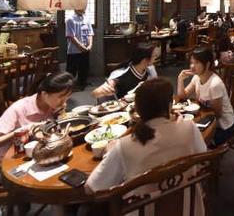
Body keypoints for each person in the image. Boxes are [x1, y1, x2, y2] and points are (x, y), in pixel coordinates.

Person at [86, 79, 207, 215]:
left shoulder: (124, 146)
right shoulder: (189, 128)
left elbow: (92, 187)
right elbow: (203, 160)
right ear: (169, 106)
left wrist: (109, 152)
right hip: (189, 209)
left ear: (138, 111)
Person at [0, 73, 74, 179]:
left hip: (36, 157)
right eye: (61, 98)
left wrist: (58, 117)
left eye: (67, 98)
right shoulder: (18, 109)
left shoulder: (52, 106)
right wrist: (19, 133)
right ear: (44, 94)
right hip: (7, 165)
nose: (64, 103)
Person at [177, 48, 234, 146]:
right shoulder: (197, 77)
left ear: (207, 64)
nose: (192, 66)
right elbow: (183, 95)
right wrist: (180, 79)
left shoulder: (214, 84)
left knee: (191, 140)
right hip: (206, 119)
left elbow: (217, 114)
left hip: (223, 126)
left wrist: (198, 121)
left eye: (196, 63)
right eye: (191, 63)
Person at [92, 43, 158, 100]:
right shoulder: (121, 73)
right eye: (154, 56)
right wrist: (103, 90)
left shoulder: (150, 69)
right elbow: (95, 94)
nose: (156, 58)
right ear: (144, 60)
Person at [65, 9, 94, 90]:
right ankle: (68, 88)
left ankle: (81, 84)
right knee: (71, 71)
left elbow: (90, 33)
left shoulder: (86, 18)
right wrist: (81, 47)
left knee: (84, 68)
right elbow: (71, 36)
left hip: (86, 49)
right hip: (74, 50)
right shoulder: (70, 19)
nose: (83, 9)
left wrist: (90, 45)